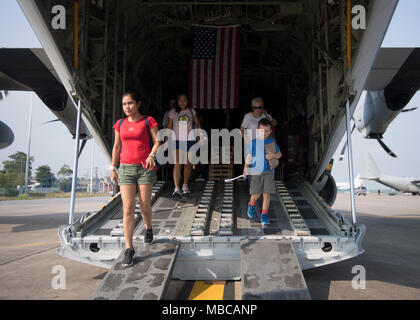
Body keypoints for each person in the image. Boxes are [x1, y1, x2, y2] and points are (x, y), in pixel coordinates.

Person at [111, 91, 160, 267]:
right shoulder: (120, 124)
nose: (127, 107)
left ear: (138, 103)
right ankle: (129, 249)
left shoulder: (148, 121)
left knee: (145, 205)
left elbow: (157, 140)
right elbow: (117, 146)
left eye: (130, 103)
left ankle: (148, 228)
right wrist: (113, 167)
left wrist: (152, 154)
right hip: (125, 168)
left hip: (145, 168)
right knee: (128, 208)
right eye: (124, 104)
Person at [243, 118, 282, 225]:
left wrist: (273, 155)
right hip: (256, 172)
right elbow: (249, 157)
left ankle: (264, 216)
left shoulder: (272, 142)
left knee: (267, 194)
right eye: (262, 131)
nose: (264, 133)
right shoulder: (254, 143)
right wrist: (245, 169)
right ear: (257, 130)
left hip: (269, 172)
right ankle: (251, 205)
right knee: (257, 194)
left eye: (267, 131)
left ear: (270, 131)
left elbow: (279, 154)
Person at [167, 93, 201, 196]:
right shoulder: (173, 112)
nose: (182, 102)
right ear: (177, 101)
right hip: (176, 140)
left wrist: (199, 132)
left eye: (184, 100)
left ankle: (185, 185)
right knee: (178, 164)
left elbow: (198, 124)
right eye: (180, 100)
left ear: (188, 101)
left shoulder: (191, 111)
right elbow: (169, 126)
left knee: (187, 164)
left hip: (190, 140)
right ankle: (177, 187)